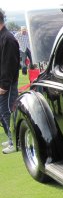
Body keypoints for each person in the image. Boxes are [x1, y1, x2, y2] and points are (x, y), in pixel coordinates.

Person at [0, 10, 20, 154]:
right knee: (3, 112)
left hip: (8, 83)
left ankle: (15, 142)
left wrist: (4, 85)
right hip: (3, 82)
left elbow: (9, 64)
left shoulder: (8, 38)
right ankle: (11, 137)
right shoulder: (2, 37)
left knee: (8, 112)